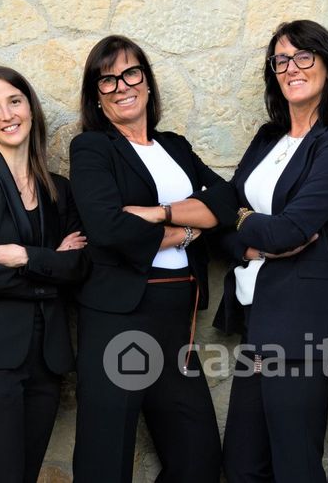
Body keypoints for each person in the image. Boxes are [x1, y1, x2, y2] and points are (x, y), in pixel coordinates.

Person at [69, 35, 236, 483]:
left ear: (146, 81)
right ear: (96, 95)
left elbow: (226, 200)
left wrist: (158, 213)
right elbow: (108, 229)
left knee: (198, 460)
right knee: (106, 460)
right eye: (107, 80)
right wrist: (187, 230)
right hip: (118, 318)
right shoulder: (92, 148)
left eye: (131, 73)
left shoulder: (175, 146)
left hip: (176, 317)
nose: (122, 86)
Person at [214, 20, 328, 483]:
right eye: (281, 60)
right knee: (242, 466)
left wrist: (243, 220)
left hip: (304, 322)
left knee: (294, 465)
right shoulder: (268, 137)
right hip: (258, 317)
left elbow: (290, 230)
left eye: (303, 57)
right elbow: (222, 216)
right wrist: (251, 241)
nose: (291, 68)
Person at [0, 66, 89, 482]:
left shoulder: (59, 189)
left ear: (30, 108)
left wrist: (26, 256)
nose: (6, 114)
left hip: (45, 361)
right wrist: (50, 266)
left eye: (14, 101)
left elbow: (79, 266)